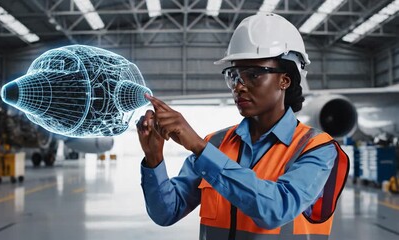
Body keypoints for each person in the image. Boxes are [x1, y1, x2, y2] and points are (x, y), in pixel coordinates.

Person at [136, 13, 349, 240]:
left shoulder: (316, 149)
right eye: (233, 75)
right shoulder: (216, 145)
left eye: (253, 75)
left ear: (284, 80)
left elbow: (276, 210)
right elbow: (166, 212)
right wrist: (153, 158)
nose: (239, 86)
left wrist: (199, 148)